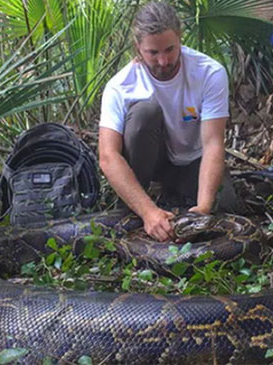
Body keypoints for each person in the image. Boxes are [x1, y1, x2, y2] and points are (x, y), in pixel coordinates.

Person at [98, 1, 241, 242]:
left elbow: (213, 144)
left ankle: (175, 196)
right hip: (152, 163)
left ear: (180, 39)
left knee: (226, 205)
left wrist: (203, 209)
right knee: (144, 113)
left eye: (170, 50)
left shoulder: (209, 72)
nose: (163, 61)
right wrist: (147, 212)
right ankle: (142, 200)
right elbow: (108, 156)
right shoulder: (120, 86)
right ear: (138, 47)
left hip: (191, 160)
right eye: (153, 53)